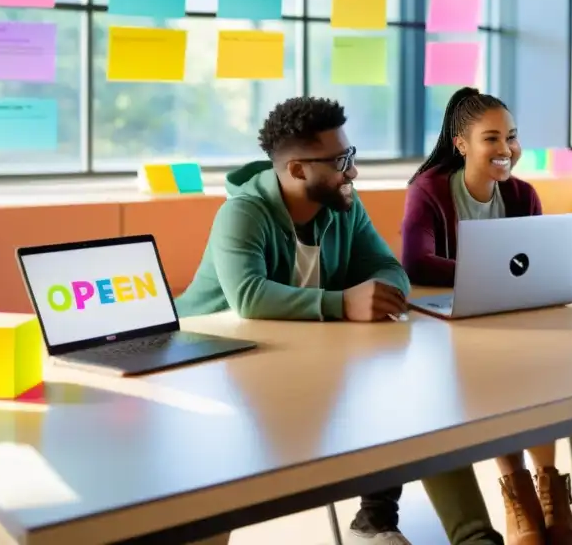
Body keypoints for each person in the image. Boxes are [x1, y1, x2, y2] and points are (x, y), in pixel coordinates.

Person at [176, 96, 502, 545]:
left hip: (300, 358)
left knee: (422, 400)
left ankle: (474, 538)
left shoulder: (342, 204)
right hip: (212, 370)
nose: (352, 171)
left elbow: (388, 269)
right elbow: (248, 297)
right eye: (340, 161)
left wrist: (378, 293)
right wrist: (342, 304)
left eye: (351, 156)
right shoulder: (243, 213)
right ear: (296, 170)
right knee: (215, 482)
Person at [400, 87, 572, 545]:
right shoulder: (429, 190)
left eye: (512, 137)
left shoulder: (522, 194)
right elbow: (416, 263)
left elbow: (535, 263)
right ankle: (516, 487)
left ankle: (548, 485)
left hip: (510, 316)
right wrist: (486, 273)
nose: (506, 150)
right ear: (462, 144)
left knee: (543, 366)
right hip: (446, 326)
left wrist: (504, 280)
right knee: (502, 374)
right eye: (492, 138)